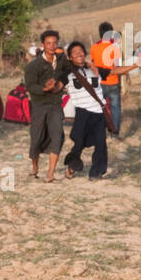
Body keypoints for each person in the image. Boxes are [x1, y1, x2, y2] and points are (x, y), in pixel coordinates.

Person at [23, 29, 67, 182]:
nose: (52, 46)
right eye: (48, 43)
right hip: (39, 105)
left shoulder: (61, 61)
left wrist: (61, 84)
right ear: (43, 45)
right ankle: (35, 167)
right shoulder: (33, 66)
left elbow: (66, 75)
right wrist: (44, 89)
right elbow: (30, 87)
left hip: (55, 104)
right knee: (36, 138)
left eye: (54, 43)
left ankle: (50, 174)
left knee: (57, 136)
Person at [62, 41, 108, 181]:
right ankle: (72, 165)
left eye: (80, 51)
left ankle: (96, 172)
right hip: (82, 113)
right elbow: (57, 83)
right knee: (79, 143)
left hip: (99, 113)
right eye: (74, 53)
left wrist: (136, 65)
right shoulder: (67, 72)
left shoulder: (94, 69)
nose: (79, 54)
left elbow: (115, 71)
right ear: (70, 57)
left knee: (101, 143)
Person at [90, 22, 123, 133]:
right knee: (115, 109)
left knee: (99, 109)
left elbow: (93, 64)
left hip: (100, 83)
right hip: (113, 82)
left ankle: (99, 132)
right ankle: (114, 133)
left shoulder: (94, 47)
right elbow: (118, 67)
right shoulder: (115, 48)